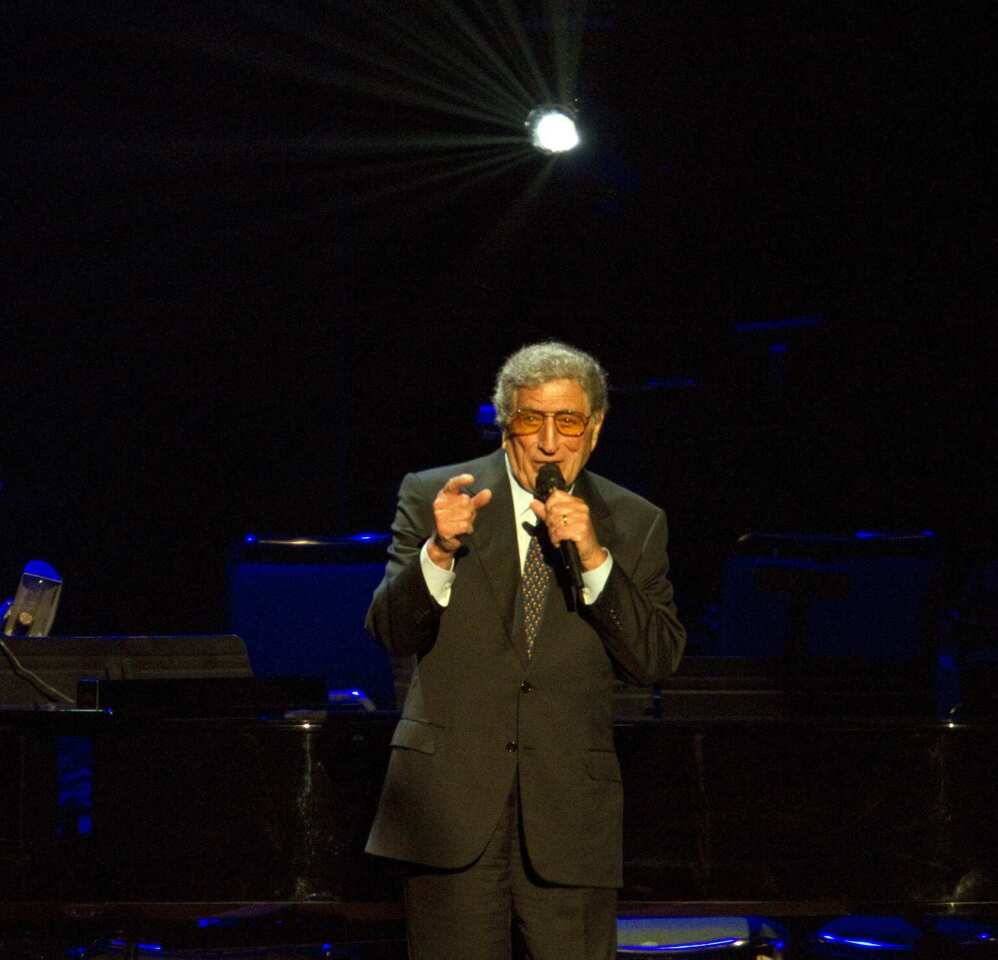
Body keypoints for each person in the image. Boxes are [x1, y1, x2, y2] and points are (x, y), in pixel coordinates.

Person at [365, 341, 686, 960]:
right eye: (529, 421)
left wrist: (595, 559)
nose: (547, 443)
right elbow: (390, 632)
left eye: (566, 422)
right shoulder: (437, 496)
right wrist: (437, 552)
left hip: (571, 818)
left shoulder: (633, 520)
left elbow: (657, 659)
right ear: (503, 423)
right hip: (449, 813)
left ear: (593, 428)